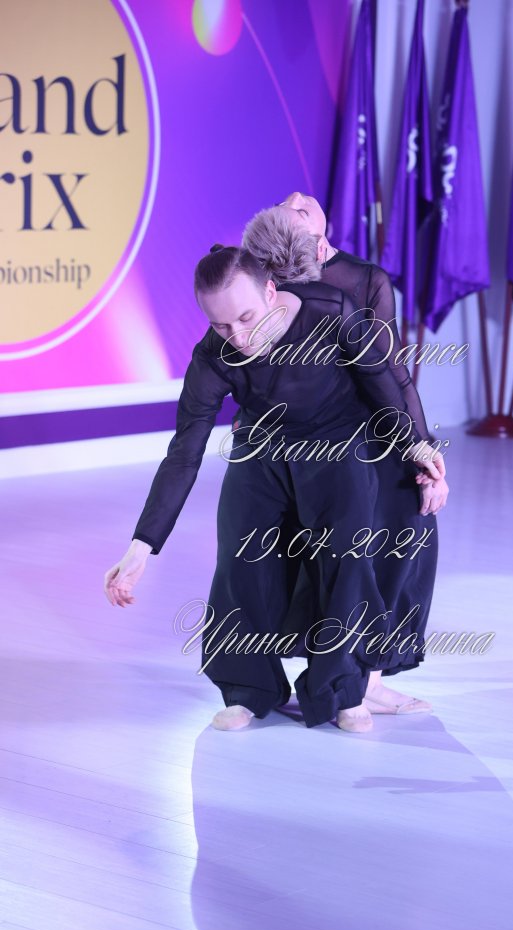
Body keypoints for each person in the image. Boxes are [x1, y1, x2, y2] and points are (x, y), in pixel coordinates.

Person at [104, 246, 445, 733]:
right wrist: (141, 547)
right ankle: (248, 689)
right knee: (240, 560)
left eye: (246, 317)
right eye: (221, 325)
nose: (238, 337)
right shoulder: (212, 355)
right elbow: (184, 453)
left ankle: (342, 690)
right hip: (260, 448)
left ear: (270, 290)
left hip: (337, 442)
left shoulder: (330, 309)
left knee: (347, 559)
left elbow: (383, 378)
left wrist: (418, 445)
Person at [242, 193, 448, 714]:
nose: (296, 197)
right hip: (303, 442)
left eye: (302, 203)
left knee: (406, 524)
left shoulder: (365, 279)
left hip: (374, 428)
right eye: (289, 208)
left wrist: (422, 446)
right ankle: (291, 680)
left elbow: (392, 372)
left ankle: (368, 677)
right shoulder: (263, 282)